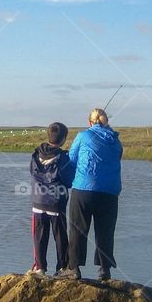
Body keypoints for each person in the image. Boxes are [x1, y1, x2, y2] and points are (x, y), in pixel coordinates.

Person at [57, 108, 123, 281]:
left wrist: (66, 180)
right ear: (106, 121)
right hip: (110, 192)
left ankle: (74, 269)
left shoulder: (83, 136)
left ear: (90, 122)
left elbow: (71, 159)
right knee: (105, 231)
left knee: (78, 229)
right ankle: (104, 270)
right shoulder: (116, 141)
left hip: (84, 189)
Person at [28, 122, 75, 275]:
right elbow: (68, 180)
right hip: (56, 202)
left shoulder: (35, 154)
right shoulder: (63, 157)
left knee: (39, 235)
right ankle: (62, 267)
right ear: (63, 139)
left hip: (38, 200)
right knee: (60, 235)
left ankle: (40, 267)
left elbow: (32, 173)